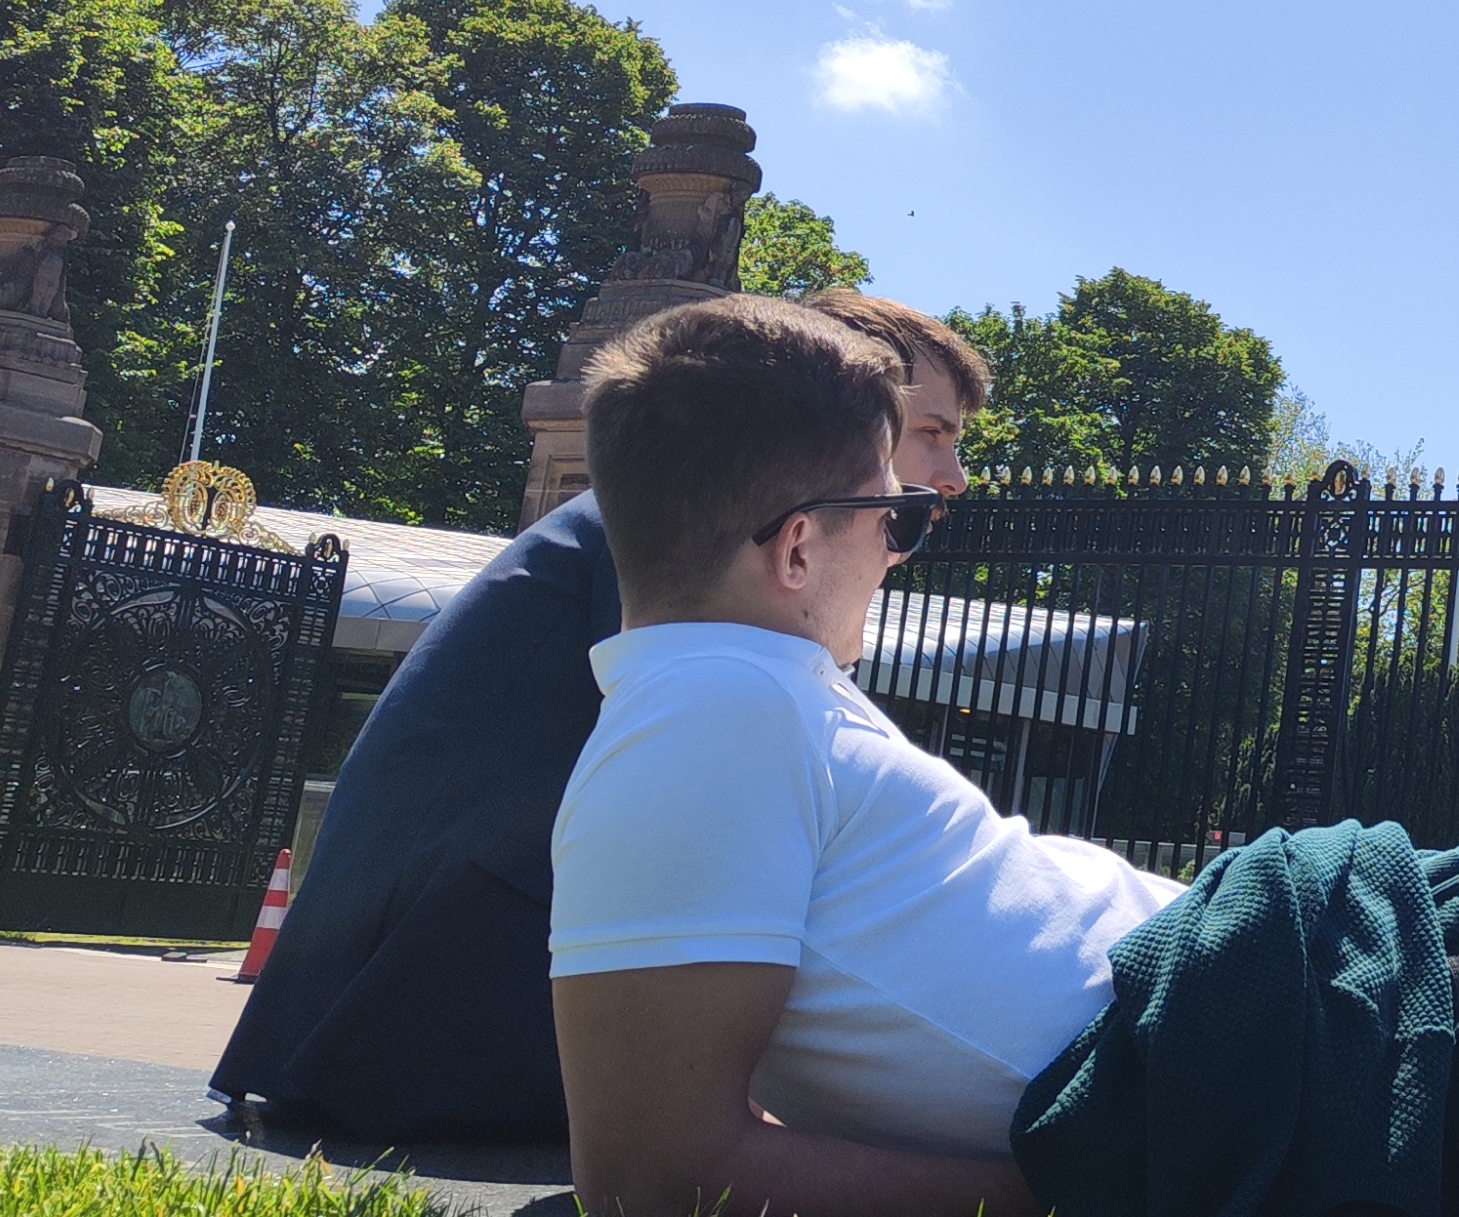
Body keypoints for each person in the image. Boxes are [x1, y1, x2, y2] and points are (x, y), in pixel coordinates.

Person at [549, 295, 1459, 1217]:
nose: (914, 534)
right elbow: (654, 1172)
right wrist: (1081, 1191)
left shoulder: (745, 703)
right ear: (799, 546)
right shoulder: (704, 723)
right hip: (1298, 1058)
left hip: (1300, 1005)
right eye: (896, 518)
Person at [211, 289, 986, 1141]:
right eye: (931, 432)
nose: (952, 476)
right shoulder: (690, 538)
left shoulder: (659, 519)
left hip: (410, 986)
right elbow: (733, 798)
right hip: (413, 1013)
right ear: (842, 403)